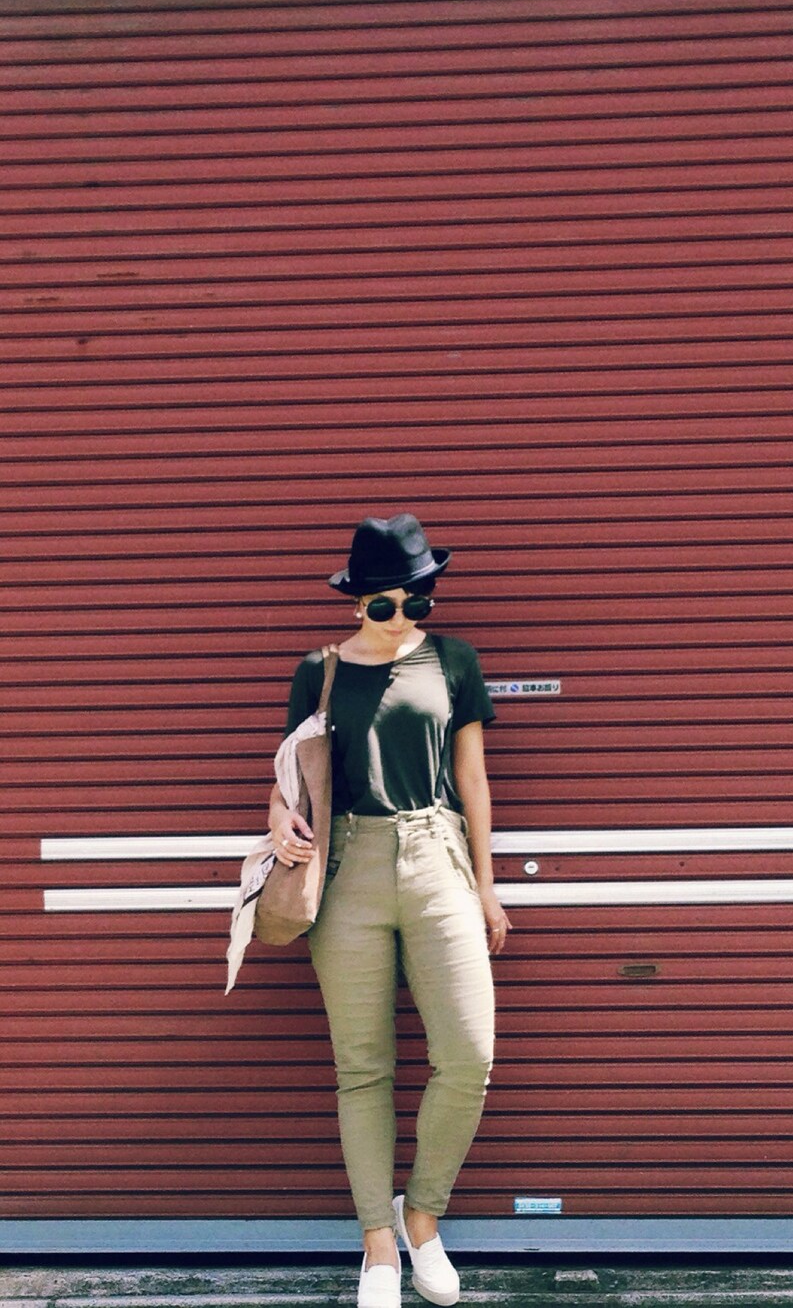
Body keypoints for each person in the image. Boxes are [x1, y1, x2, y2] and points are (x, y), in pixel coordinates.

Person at [268, 513, 511, 1308]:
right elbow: (289, 775)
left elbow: (472, 779)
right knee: (363, 1066)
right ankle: (377, 1242)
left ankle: (423, 1216)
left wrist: (486, 884)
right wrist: (280, 821)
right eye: (385, 605)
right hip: (349, 866)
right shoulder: (320, 670)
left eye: (418, 602)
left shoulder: (455, 662)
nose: (402, 616)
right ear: (356, 602)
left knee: (469, 1055)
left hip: (438, 856)